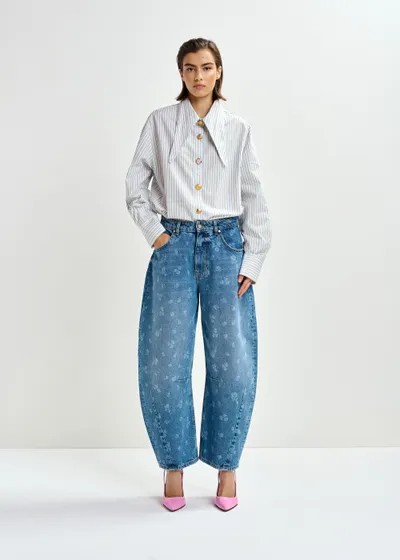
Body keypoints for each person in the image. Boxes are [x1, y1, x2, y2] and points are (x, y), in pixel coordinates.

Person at [125, 37, 272, 511]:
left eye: (207, 67)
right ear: (181, 73)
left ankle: (227, 468)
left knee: (233, 363)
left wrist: (253, 259)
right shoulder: (160, 123)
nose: (198, 76)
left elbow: (253, 195)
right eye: (190, 68)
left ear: (219, 71)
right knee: (164, 362)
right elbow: (135, 184)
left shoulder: (238, 129)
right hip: (174, 246)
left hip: (228, 247)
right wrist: (157, 233)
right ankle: (174, 467)